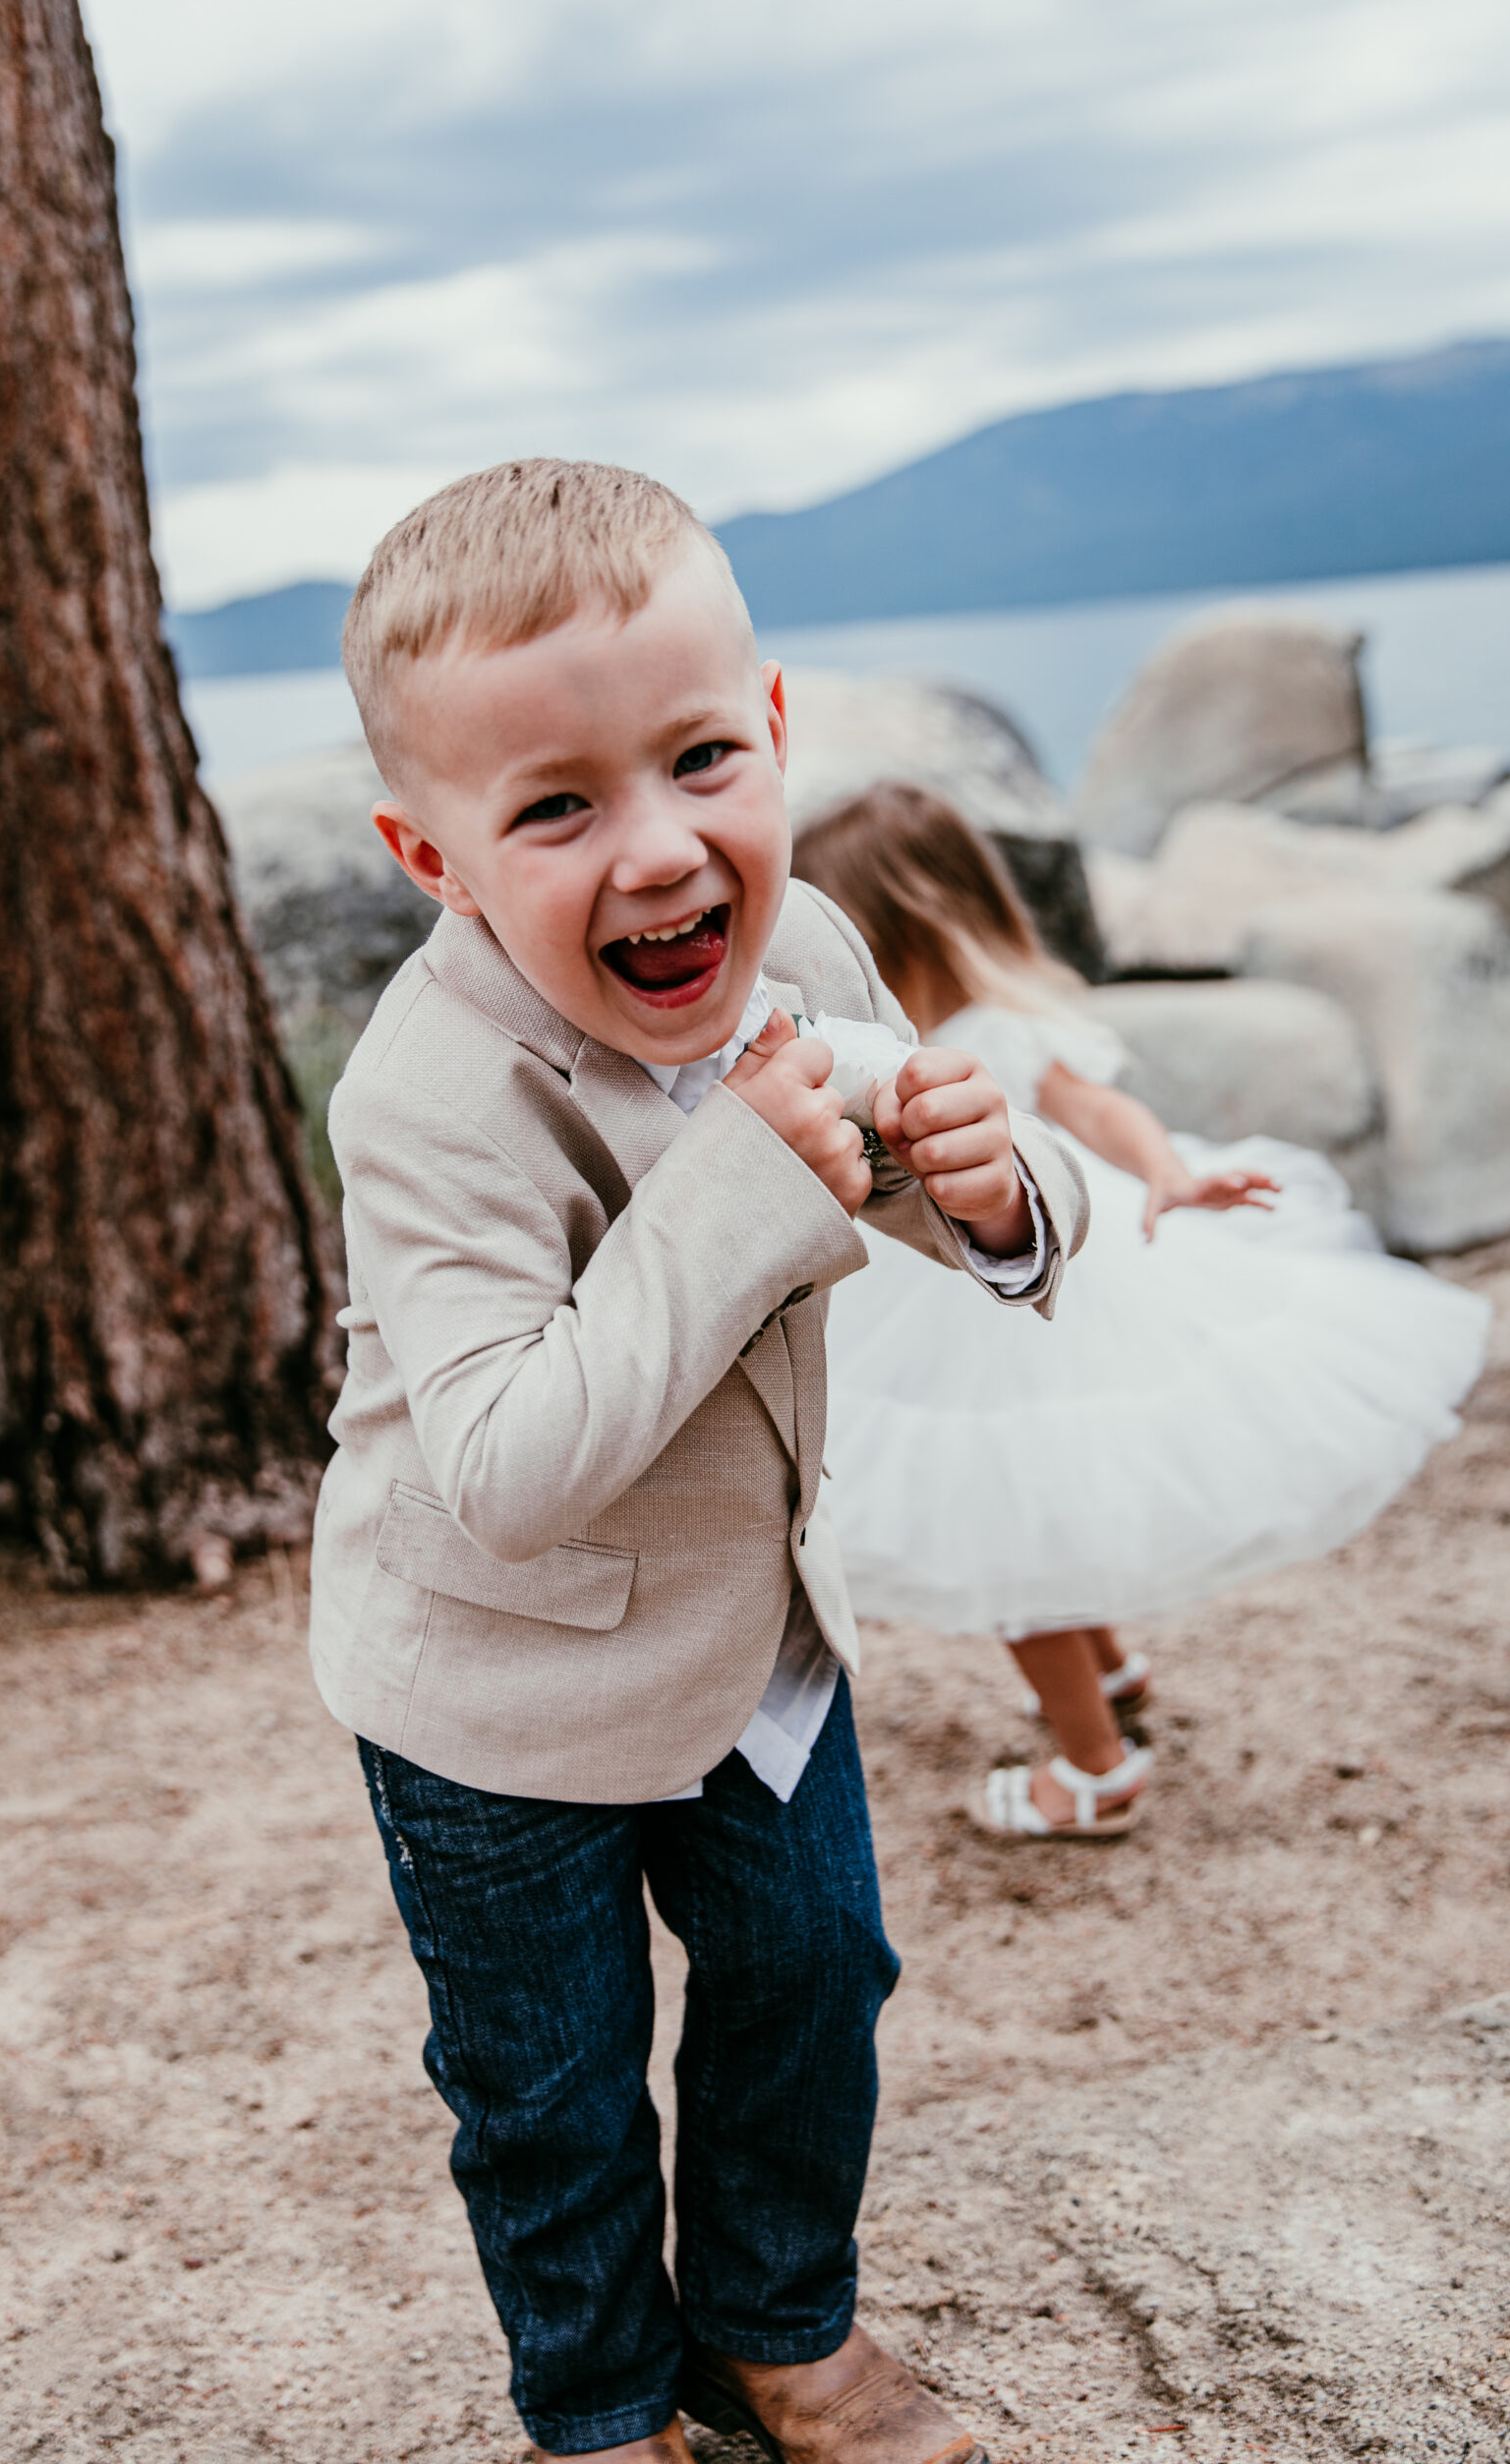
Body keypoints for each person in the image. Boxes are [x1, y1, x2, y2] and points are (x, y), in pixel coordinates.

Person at [310, 463, 1090, 2464]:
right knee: (550, 2079)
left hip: (753, 1641)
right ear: (433, 854)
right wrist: (743, 1181)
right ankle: (592, 2400)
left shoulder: (809, 941)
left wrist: (999, 1200)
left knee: (814, 1970)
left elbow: (892, 1171)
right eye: (555, 804)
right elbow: (502, 1462)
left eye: (695, 758)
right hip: (493, 1685)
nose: (656, 849)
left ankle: (775, 2320)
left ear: (773, 726)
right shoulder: (428, 1092)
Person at [791, 782, 1491, 1841]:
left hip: (1005, 1306)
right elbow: (1099, 1111)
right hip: (1025, 1282)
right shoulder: (991, 1024)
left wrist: (1166, 1170)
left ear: (877, 938)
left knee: (1001, 1529)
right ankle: (1110, 1671)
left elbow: (1096, 1111)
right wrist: (1164, 1171)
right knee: (1046, 1495)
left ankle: (1094, 1766)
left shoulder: (959, 1040)